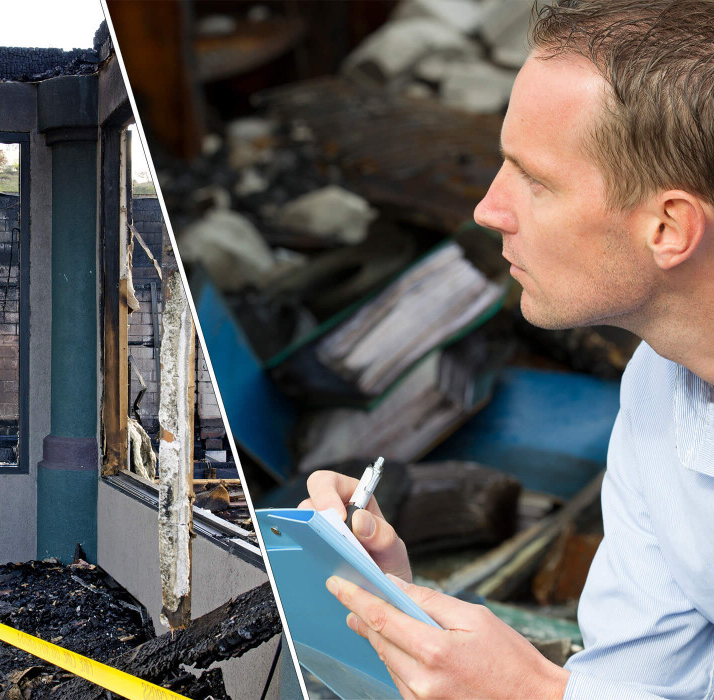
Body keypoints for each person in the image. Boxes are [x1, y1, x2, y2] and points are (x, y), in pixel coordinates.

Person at [301, 1, 714, 698]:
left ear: (669, 227)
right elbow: (640, 683)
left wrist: (531, 693)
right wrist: (402, 612)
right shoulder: (659, 388)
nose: (489, 209)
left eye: (536, 179)